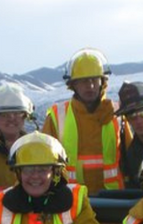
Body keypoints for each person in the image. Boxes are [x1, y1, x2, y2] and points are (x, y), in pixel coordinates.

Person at [42, 48, 124, 195]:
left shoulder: (118, 112)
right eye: (84, 81)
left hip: (113, 198)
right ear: (73, 85)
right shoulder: (57, 115)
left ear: (102, 82)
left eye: (94, 80)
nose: (90, 86)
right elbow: (42, 159)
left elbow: (131, 155)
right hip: (70, 198)